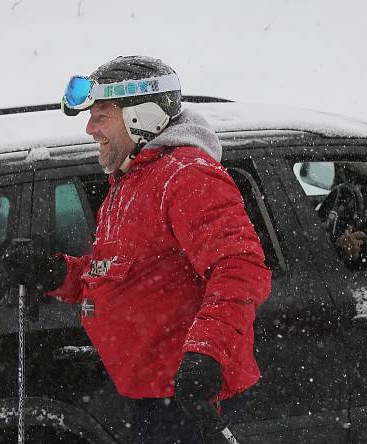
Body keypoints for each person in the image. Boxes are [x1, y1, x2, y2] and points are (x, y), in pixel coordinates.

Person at [42, 56, 271, 444]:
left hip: (188, 396)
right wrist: (55, 274)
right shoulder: (132, 179)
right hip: (151, 391)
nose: (90, 128)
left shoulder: (187, 175)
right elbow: (116, 274)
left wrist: (206, 354)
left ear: (140, 117)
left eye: (102, 115)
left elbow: (241, 267)